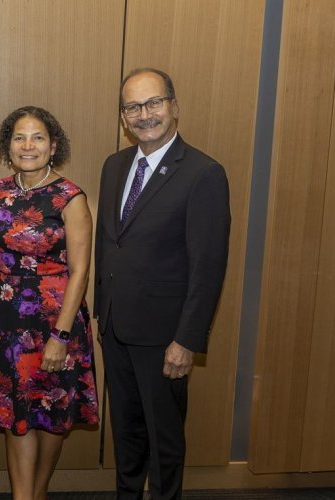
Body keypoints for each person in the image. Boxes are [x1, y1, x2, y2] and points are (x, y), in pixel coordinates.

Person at [94, 68, 230, 499]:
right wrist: (103, 310)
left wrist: (186, 340)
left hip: (164, 336)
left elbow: (208, 266)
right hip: (116, 325)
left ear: (174, 106)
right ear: (123, 116)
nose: (144, 114)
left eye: (153, 103)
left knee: (164, 440)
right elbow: (108, 243)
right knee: (126, 434)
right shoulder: (115, 166)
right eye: (132, 107)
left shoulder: (203, 173)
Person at [0, 106, 99, 500]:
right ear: (8, 146)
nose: (29, 145)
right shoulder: (0, 191)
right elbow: (0, 259)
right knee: (16, 414)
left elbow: (80, 271)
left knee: (52, 411)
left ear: (53, 145)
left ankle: (37, 493)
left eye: (38, 137)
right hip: (8, 318)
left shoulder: (69, 197)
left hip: (55, 317)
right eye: (20, 137)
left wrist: (61, 335)